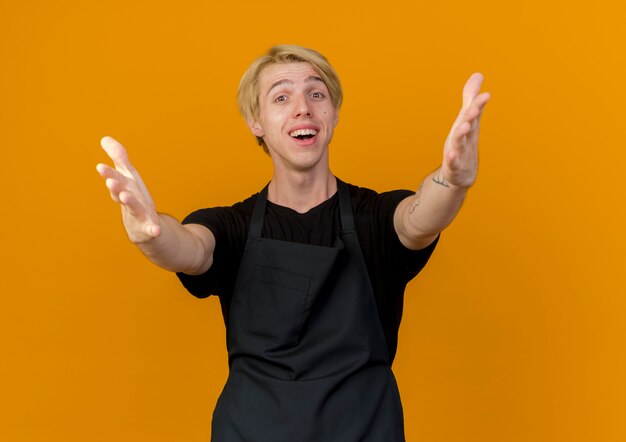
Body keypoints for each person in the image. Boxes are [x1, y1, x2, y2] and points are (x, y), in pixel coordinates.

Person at [96, 45, 490, 441]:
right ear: (257, 122)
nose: (302, 108)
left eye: (316, 94)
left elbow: (420, 217)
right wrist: (150, 233)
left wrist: (453, 180)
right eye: (281, 97)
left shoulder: (377, 218)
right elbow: (189, 249)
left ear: (333, 113)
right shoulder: (231, 226)